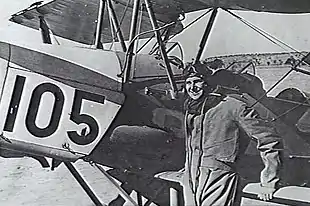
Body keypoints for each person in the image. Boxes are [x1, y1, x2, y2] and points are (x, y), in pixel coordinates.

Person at [182, 62, 283, 206]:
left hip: (218, 179)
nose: (192, 88)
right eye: (188, 83)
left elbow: (269, 139)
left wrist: (269, 181)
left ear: (207, 83)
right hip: (190, 179)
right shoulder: (192, 110)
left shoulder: (233, 106)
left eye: (197, 81)